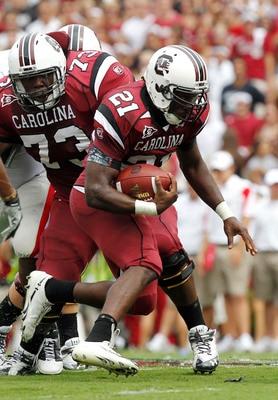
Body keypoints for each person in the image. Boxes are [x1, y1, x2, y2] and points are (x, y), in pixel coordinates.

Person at [21, 45, 257, 377]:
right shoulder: (122, 109)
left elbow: (193, 163)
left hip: (147, 195)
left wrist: (226, 213)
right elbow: (95, 188)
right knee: (150, 262)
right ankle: (101, 337)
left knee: (150, 293)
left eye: (196, 97)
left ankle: (51, 289)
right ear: (160, 89)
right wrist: (149, 206)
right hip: (99, 199)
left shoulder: (191, 113)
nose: (192, 106)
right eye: (184, 97)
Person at [0, 29, 133, 376]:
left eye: (47, 78)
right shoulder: (10, 91)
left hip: (49, 177)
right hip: (25, 172)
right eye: (31, 81)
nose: (40, 88)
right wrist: (9, 199)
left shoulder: (89, 80)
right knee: (42, 254)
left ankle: (59, 338)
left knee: (40, 254)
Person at [199, 151, 255, 353]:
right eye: (214, 169)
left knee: (238, 293)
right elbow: (207, 223)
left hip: (235, 246)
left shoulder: (243, 187)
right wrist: (205, 250)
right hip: (216, 246)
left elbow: (247, 217)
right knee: (223, 294)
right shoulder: (212, 189)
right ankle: (231, 335)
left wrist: (240, 247)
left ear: (232, 168)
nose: (217, 173)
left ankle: (245, 335)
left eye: (220, 169)